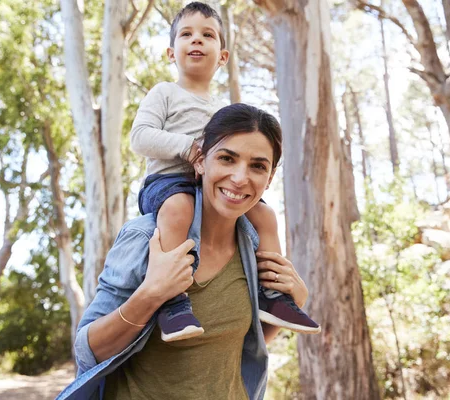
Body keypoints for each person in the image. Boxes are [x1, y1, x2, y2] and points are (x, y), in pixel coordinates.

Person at [56, 104, 314, 400]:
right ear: (201, 160)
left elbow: (243, 344)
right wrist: (151, 294)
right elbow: (89, 351)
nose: (240, 178)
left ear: (269, 178)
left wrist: (295, 299)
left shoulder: (254, 247)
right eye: (227, 158)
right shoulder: (147, 237)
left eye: (257, 166)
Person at [130, 1, 319, 343]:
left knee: (265, 215)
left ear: (223, 56)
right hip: (168, 182)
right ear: (172, 53)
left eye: (208, 35)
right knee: (179, 208)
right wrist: (188, 148)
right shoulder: (165, 93)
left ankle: (272, 293)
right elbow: (139, 137)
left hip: (211, 186)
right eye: (187, 34)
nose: (197, 40)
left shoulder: (225, 110)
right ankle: (172, 301)